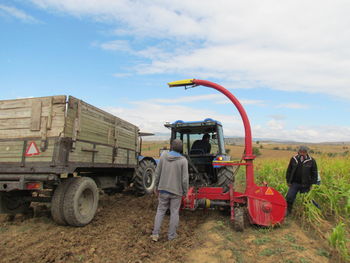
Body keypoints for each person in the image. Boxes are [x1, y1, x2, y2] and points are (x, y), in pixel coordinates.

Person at [151, 139, 189, 241]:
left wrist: (156, 186)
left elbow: (157, 172)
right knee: (174, 213)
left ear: (171, 146)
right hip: (176, 192)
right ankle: (171, 236)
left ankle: (155, 234)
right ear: (181, 148)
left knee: (160, 211)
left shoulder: (163, 156)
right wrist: (186, 193)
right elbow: (185, 179)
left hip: (163, 190)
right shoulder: (183, 161)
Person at [285, 146, 318, 215]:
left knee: (307, 199)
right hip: (295, 183)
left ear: (307, 152)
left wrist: (313, 184)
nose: (302, 153)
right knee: (289, 197)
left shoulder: (311, 161)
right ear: (298, 152)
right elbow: (289, 171)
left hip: (306, 184)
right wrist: (288, 181)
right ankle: (288, 211)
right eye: (301, 152)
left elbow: (314, 173)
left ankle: (315, 210)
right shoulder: (294, 159)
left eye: (304, 152)